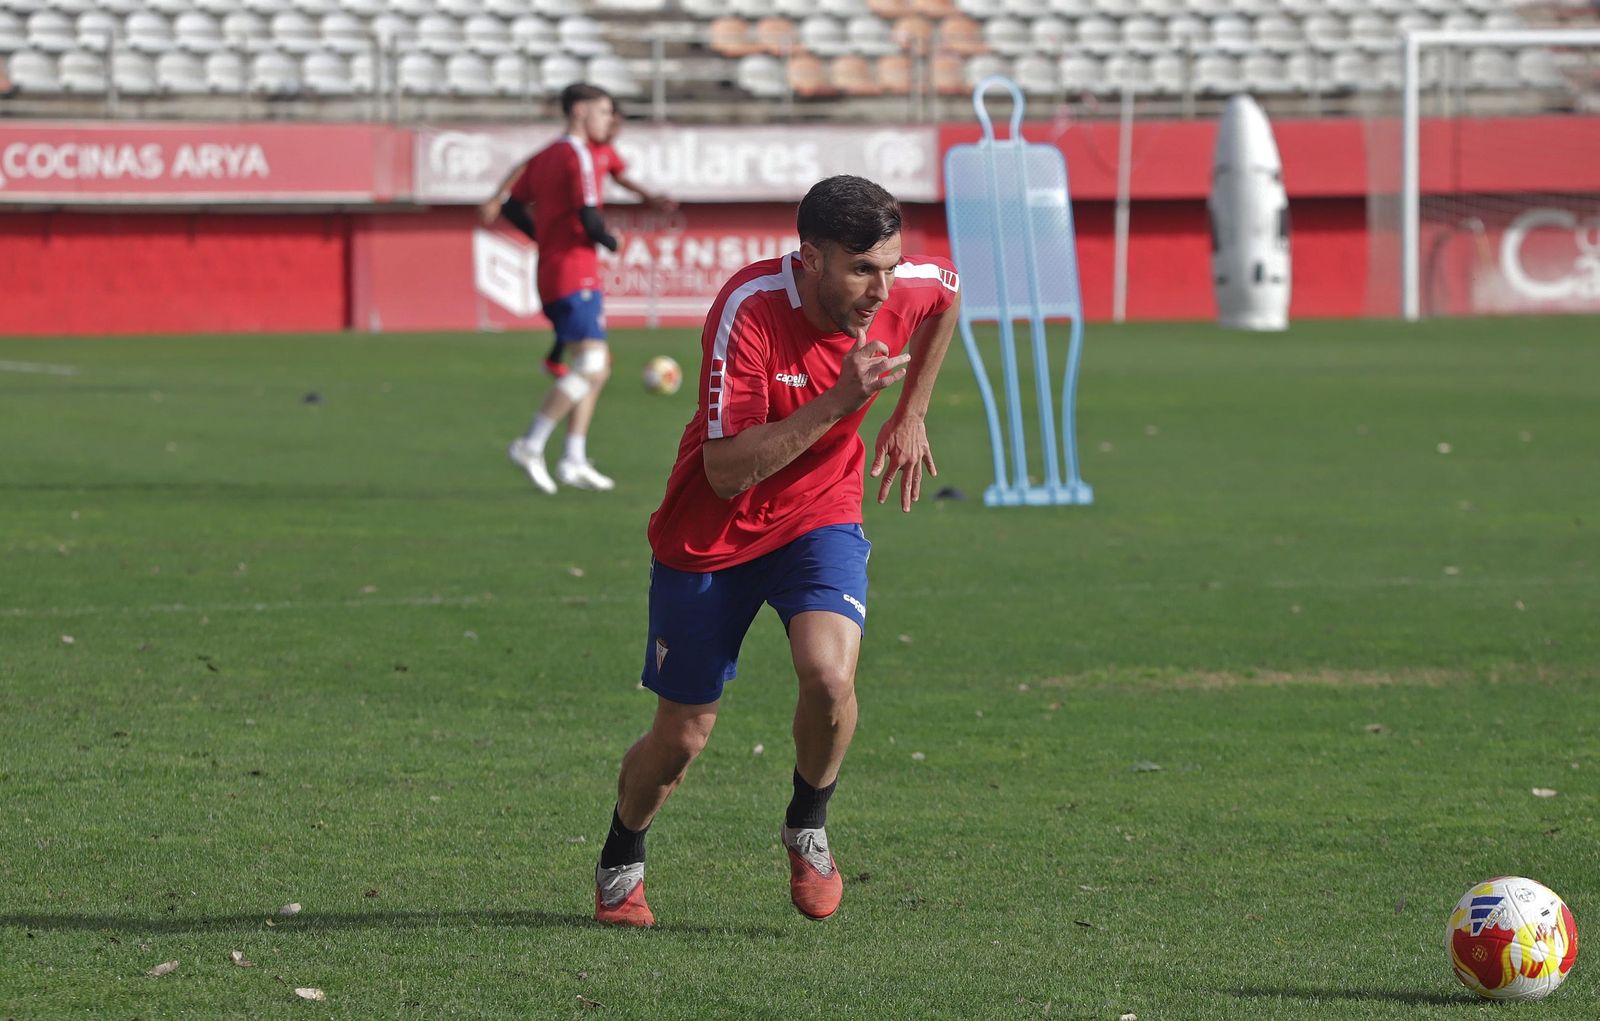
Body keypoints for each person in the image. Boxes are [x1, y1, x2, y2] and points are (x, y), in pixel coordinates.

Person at [592, 175, 961, 927]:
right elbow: (726, 472)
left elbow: (947, 295)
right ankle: (622, 851)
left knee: (829, 676)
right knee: (682, 736)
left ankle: (807, 823)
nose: (881, 289)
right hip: (712, 533)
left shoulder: (901, 287)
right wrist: (843, 401)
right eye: (861, 269)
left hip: (819, 515)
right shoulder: (749, 308)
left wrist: (912, 410)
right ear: (811, 257)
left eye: (890, 267)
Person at [479, 84, 669, 494]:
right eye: (603, 111)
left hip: (555, 270)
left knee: (597, 367)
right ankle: (531, 444)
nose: (608, 119)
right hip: (573, 272)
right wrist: (611, 241)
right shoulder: (578, 155)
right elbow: (589, 217)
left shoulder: (547, 154)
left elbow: (512, 205)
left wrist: (545, 237)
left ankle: (573, 458)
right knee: (590, 365)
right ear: (580, 111)